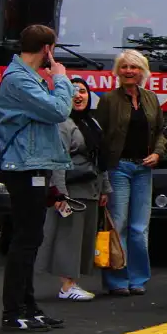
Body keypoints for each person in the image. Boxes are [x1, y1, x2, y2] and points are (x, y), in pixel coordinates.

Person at [0, 24, 74, 331]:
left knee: (31, 238)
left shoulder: (28, 77)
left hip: (34, 164)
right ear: (47, 49)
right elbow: (58, 110)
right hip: (23, 167)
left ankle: (28, 306)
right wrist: (61, 78)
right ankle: (13, 310)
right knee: (25, 239)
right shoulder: (18, 79)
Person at [94, 49, 165, 296]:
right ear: (118, 71)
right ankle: (117, 280)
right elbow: (99, 138)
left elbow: (161, 132)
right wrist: (102, 174)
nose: (128, 71)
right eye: (124, 67)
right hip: (118, 169)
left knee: (139, 229)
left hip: (144, 169)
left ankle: (138, 279)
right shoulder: (108, 100)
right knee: (119, 225)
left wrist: (158, 153)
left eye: (134, 67)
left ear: (142, 71)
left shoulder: (151, 98)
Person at [38, 78, 111, 302]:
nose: (78, 95)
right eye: (72, 92)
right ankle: (67, 286)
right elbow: (57, 160)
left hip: (90, 189)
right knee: (68, 238)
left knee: (83, 239)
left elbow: (100, 159)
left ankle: (72, 283)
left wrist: (105, 188)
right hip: (72, 191)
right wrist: (59, 193)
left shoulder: (91, 123)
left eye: (83, 91)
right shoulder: (62, 123)